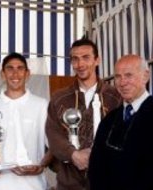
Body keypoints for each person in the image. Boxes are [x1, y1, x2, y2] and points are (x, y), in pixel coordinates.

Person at [88, 55, 153, 190]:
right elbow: (96, 167)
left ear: (145, 76)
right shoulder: (109, 120)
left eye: (128, 75)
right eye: (118, 77)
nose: (122, 82)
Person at [45, 37, 121, 190]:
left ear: (97, 60)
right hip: (69, 183)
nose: (80, 64)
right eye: (75, 59)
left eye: (86, 58)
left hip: (109, 181)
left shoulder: (115, 96)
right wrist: (73, 154)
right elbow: (53, 133)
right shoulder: (59, 98)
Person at [0, 52, 51, 190]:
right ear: (2, 74)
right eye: (10, 68)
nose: (15, 74)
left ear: (27, 74)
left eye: (20, 68)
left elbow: (53, 145)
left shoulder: (42, 105)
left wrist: (41, 166)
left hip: (33, 185)